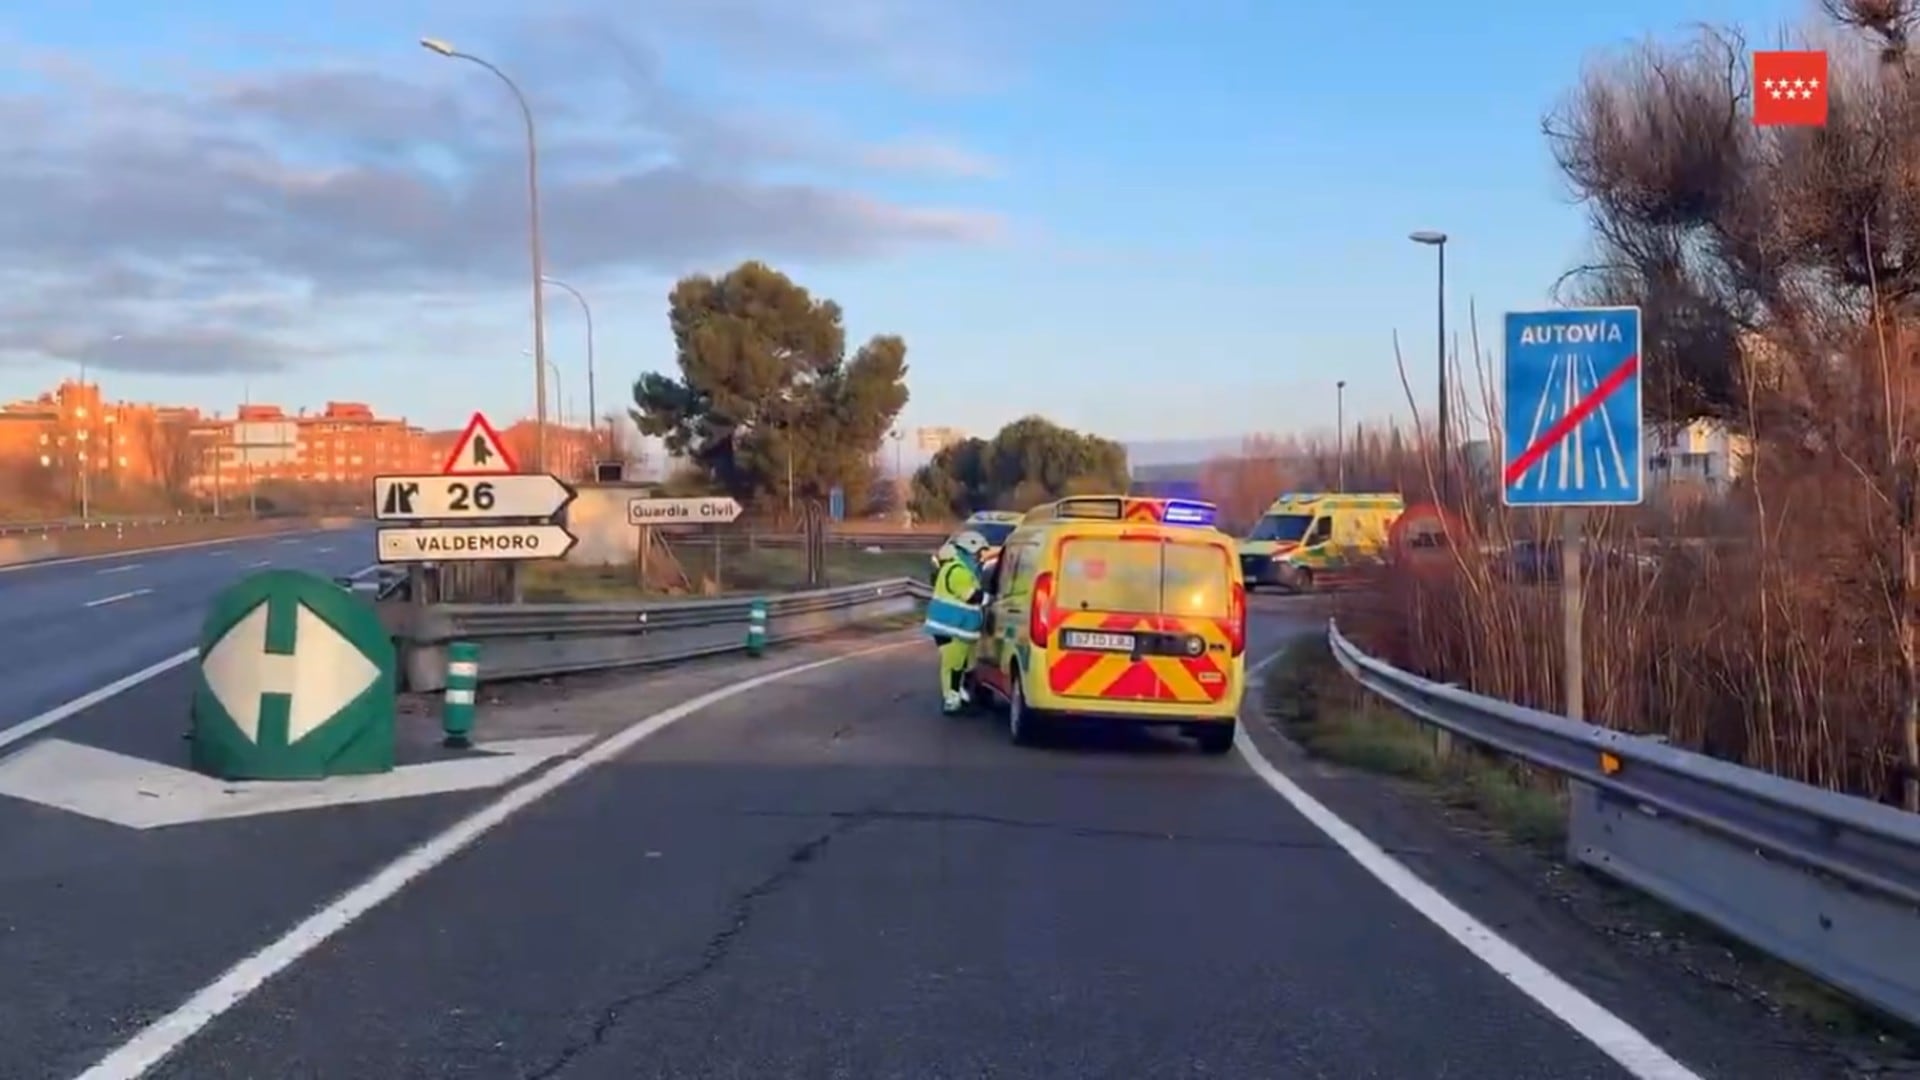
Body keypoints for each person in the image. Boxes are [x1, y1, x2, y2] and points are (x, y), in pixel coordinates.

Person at [923, 529, 990, 713]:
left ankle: (960, 695)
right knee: (953, 664)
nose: (980, 557)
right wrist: (990, 599)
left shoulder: (965, 569)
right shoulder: (958, 571)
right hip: (950, 628)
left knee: (964, 664)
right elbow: (971, 596)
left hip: (958, 628)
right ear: (969, 550)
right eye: (978, 553)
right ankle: (952, 700)